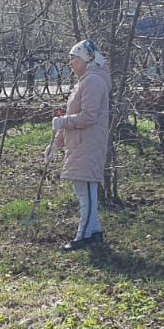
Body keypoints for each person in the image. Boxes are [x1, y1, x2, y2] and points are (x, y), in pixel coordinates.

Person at [52, 39, 112, 251]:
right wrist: (57, 143)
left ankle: (82, 237)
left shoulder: (94, 82)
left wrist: (62, 122)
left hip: (88, 145)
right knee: (83, 192)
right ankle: (95, 233)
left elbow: (88, 117)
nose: (70, 63)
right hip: (79, 145)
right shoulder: (84, 81)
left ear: (86, 58)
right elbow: (71, 117)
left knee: (86, 193)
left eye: (73, 59)